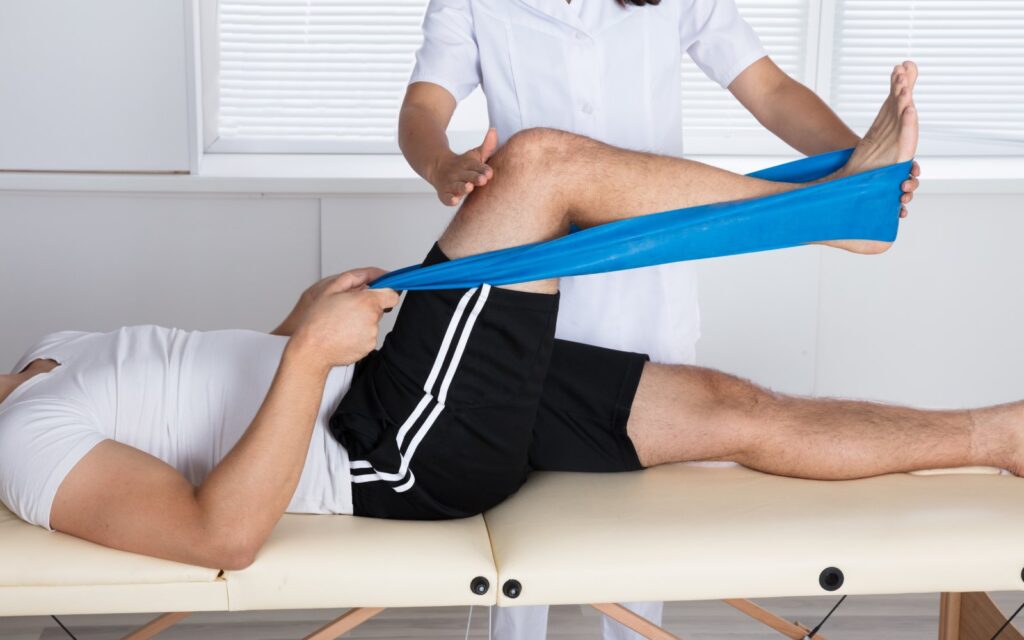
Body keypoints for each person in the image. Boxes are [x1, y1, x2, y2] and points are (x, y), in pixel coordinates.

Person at [4, 67, 1012, 589]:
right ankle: (843, 211)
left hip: (387, 386)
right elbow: (218, 534)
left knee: (727, 406)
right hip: (388, 448)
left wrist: (299, 324)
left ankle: (997, 436)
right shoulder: (20, 446)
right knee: (542, 166)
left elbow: (211, 396)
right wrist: (311, 353)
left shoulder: (45, 360)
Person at [398, 2, 922, 635]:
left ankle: (839, 205)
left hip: (644, 283)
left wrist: (858, 172)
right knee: (518, 510)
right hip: (528, 285)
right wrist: (440, 165)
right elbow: (423, 109)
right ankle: (831, 212)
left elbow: (770, 89)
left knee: (639, 526)